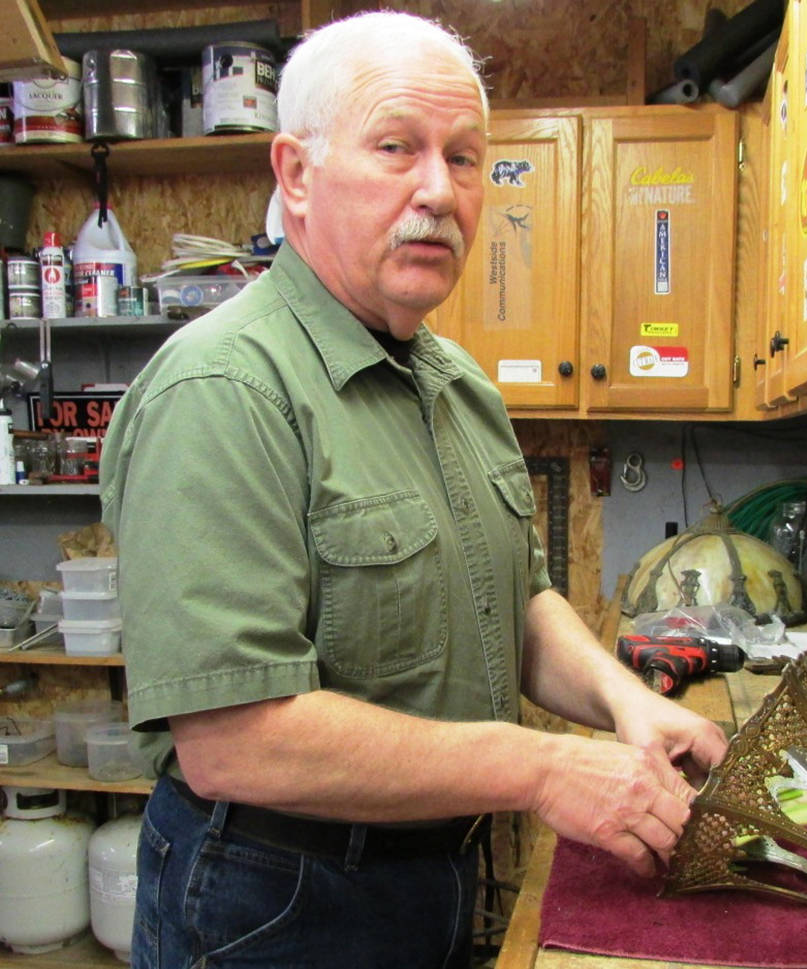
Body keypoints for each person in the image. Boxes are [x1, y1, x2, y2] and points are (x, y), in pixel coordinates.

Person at [99, 12, 728, 969]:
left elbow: (514, 595)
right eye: (397, 147)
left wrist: (620, 701)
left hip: (430, 876)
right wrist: (549, 766)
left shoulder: (456, 382)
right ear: (296, 175)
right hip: (275, 902)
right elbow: (237, 739)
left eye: (467, 159)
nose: (439, 190)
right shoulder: (223, 390)